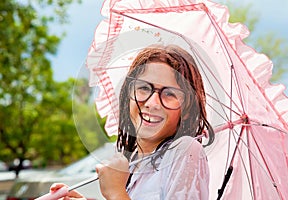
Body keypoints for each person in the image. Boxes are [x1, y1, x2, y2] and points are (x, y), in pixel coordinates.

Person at [50, 44, 214, 199]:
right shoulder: (132, 163)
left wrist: (116, 193)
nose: (152, 103)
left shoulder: (185, 151)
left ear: (186, 110)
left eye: (170, 93)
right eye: (143, 88)